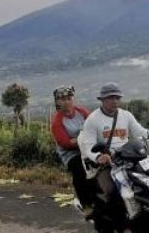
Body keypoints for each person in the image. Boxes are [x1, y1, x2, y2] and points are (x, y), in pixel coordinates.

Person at [78, 82, 149, 206]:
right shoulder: (92, 120)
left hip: (128, 158)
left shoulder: (126, 116)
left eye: (117, 98)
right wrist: (99, 157)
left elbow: (140, 132)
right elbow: (88, 146)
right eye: (110, 97)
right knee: (111, 191)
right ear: (102, 99)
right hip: (107, 163)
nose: (114, 101)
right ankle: (113, 221)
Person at [50, 85, 95, 215]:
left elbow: (94, 125)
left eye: (69, 98)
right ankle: (86, 204)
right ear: (58, 102)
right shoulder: (57, 121)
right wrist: (82, 139)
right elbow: (65, 143)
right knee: (80, 170)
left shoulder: (82, 112)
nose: (66, 101)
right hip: (71, 153)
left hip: (88, 148)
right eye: (63, 99)